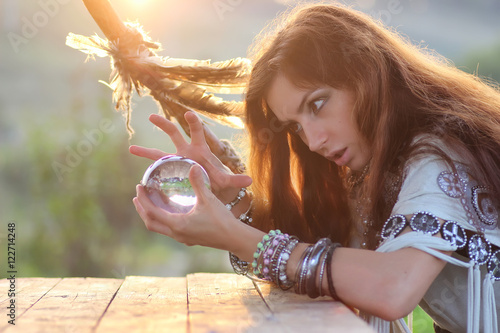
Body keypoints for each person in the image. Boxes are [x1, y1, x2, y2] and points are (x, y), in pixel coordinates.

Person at [129, 3, 500, 332]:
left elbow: (392, 288)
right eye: (295, 126)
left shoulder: (442, 153)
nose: (314, 141)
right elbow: (324, 265)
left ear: (365, 73)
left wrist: (233, 236)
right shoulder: (370, 169)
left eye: (318, 105)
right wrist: (234, 202)